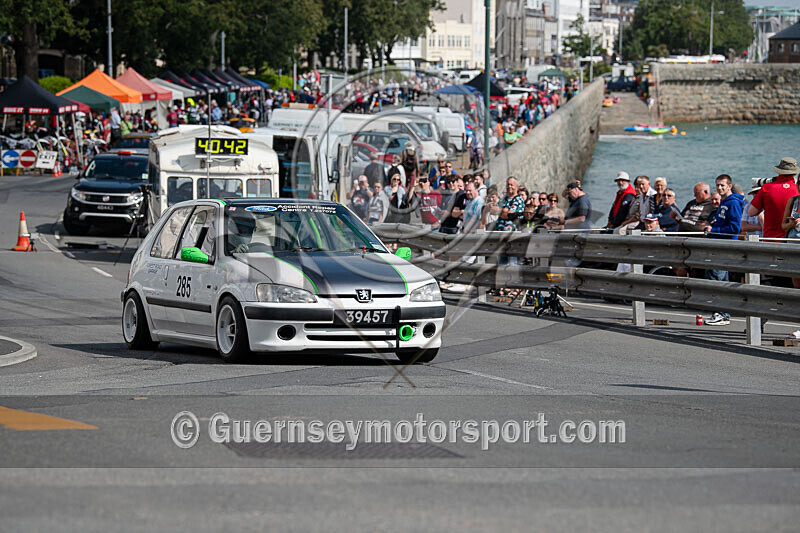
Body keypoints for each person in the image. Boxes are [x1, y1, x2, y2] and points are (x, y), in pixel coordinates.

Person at [702, 174, 744, 326]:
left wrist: (714, 229)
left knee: (717, 279)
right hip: (718, 244)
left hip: (724, 246)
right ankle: (722, 312)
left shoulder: (732, 203)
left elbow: (734, 228)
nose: (719, 188)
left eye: (722, 185)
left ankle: (721, 313)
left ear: (729, 186)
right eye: (717, 185)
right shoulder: (724, 202)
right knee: (719, 278)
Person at [748, 157, 800, 240]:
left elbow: (751, 212)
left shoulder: (767, 188)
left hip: (772, 239)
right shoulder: (797, 190)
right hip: (793, 240)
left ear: (779, 171)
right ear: (794, 173)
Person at [781, 179, 800, 289]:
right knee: (796, 285)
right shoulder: (792, 201)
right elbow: (783, 226)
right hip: (792, 246)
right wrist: (791, 224)